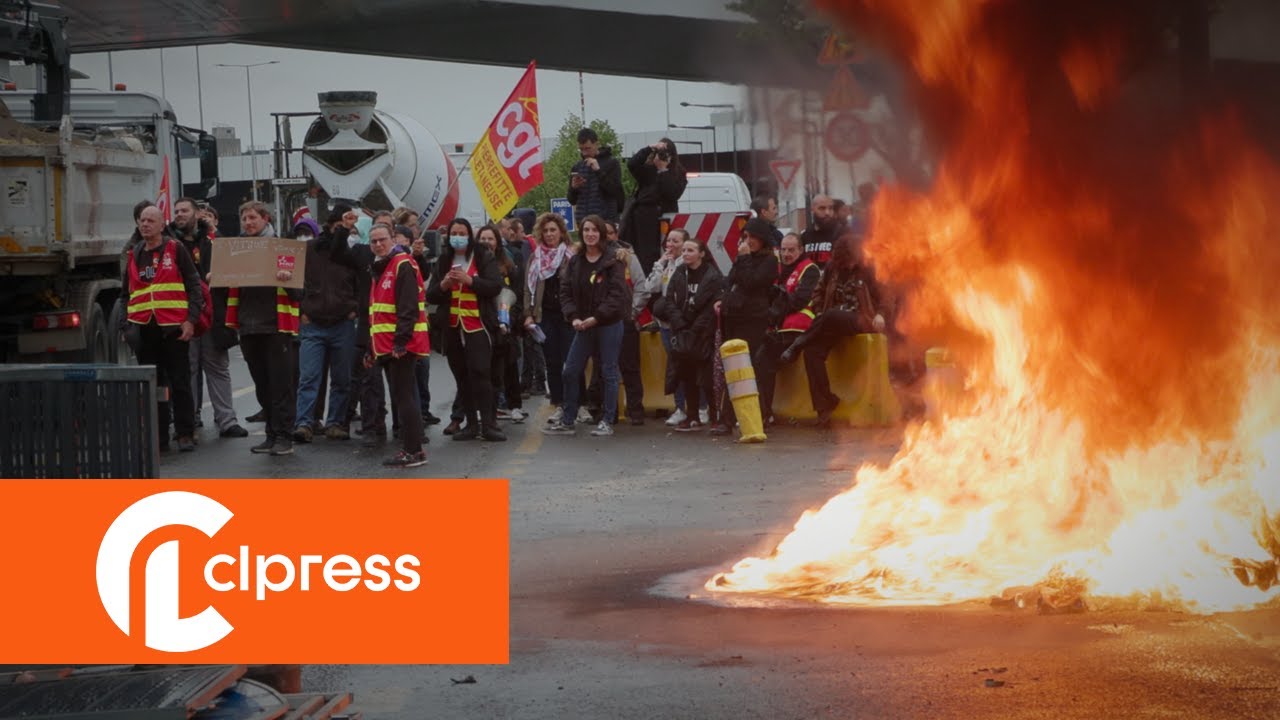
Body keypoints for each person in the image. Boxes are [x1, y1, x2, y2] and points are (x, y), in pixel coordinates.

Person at [781, 231, 888, 426]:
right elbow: (818, 292)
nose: (846, 266)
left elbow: (884, 296)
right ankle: (825, 405)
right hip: (832, 322)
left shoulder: (869, 269)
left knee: (831, 315)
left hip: (861, 318)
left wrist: (881, 314)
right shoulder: (832, 268)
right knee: (812, 352)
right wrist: (819, 309)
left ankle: (797, 344)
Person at [124, 205, 204, 452]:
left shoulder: (174, 248)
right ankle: (158, 436)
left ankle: (185, 433)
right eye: (141, 220)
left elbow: (194, 285)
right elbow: (125, 293)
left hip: (174, 328)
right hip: (145, 331)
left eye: (150, 220)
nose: (145, 224)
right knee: (154, 386)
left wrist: (190, 320)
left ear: (161, 225)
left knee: (180, 382)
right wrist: (124, 327)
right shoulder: (134, 253)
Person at [225, 201, 301, 455]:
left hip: (276, 327)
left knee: (281, 386)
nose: (248, 223)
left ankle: (284, 437)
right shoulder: (237, 251)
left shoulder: (283, 248)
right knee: (263, 386)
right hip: (248, 327)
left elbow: (299, 292)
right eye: (244, 218)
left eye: (252, 218)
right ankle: (271, 435)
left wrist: (286, 279)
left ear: (266, 219)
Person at [543, 215, 629, 437]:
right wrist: (573, 317)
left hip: (608, 324)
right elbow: (566, 291)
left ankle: (607, 420)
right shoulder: (576, 261)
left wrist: (597, 317)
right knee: (570, 370)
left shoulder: (613, 260)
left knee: (608, 371)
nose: (590, 234)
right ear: (581, 233)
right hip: (582, 325)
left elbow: (617, 295)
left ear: (601, 233)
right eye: (586, 230)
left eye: (594, 230)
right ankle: (569, 419)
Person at [170, 197, 248, 438]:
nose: (179, 215)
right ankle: (189, 418)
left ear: (197, 214)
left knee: (218, 367)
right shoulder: (169, 244)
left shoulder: (216, 242)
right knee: (188, 369)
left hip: (213, 314)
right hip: (184, 315)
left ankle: (227, 420)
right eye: (176, 211)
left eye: (184, 210)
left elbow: (235, 272)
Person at [426, 218, 506, 442]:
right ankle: (470, 424)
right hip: (452, 328)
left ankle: (488, 424)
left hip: (477, 327)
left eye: (462, 233)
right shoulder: (443, 260)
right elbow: (430, 294)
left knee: (481, 373)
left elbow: (495, 286)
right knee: (462, 377)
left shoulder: (482, 256)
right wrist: (443, 285)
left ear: (469, 236)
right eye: (454, 233)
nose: (458, 237)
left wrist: (470, 280)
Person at [362, 223, 430, 467]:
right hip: (385, 345)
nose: (378, 245)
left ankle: (413, 450)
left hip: (401, 345)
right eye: (373, 241)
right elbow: (377, 316)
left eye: (382, 240)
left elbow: (408, 308)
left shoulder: (402, 264)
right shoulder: (380, 268)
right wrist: (372, 348)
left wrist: (400, 342)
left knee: (404, 397)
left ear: (393, 240)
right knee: (402, 396)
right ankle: (413, 450)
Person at [293, 212, 360, 442]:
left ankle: (335, 423)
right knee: (309, 377)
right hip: (314, 323)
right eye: (339, 225)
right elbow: (294, 280)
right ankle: (304, 423)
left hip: (342, 322)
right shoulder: (309, 250)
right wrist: (302, 309)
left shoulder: (350, 253)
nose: (341, 229)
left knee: (342, 378)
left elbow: (362, 283)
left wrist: (355, 309)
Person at [709, 218, 779, 435]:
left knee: (749, 369)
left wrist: (745, 258)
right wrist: (723, 298)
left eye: (752, 237)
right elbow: (731, 280)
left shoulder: (768, 262)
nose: (747, 241)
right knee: (732, 368)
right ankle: (726, 418)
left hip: (753, 319)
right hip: (735, 316)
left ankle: (761, 414)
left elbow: (751, 282)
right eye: (745, 237)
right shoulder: (743, 258)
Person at [653, 237, 722, 432]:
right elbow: (669, 301)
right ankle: (692, 417)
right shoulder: (679, 273)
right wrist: (680, 322)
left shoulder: (712, 275)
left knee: (707, 378)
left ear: (701, 253)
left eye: (690, 250)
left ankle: (715, 416)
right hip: (683, 331)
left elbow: (711, 306)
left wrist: (695, 328)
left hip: (703, 334)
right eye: (684, 251)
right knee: (687, 375)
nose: (685, 254)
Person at [639, 228, 703, 427]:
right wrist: (660, 265)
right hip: (667, 325)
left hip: (685, 325)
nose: (671, 245)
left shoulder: (687, 265)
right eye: (669, 241)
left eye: (676, 241)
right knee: (675, 368)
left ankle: (701, 408)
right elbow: (651, 288)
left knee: (693, 366)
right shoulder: (666, 265)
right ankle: (680, 408)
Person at [755, 232, 820, 424]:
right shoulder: (779, 271)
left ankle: (765, 413)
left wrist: (778, 302)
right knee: (760, 360)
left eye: (791, 250)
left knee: (763, 358)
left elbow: (799, 301)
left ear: (801, 250)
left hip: (799, 331)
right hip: (779, 330)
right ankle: (764, 414)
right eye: (783, 250)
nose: (786, 254)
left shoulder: (809, 269)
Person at [522, 212, 576, 423]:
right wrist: (528, 314)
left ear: (561, 232)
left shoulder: (570, 256)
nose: (549, 234)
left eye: (553, 230)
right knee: (552, 363)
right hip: (546, 316)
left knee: (572, 363)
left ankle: (578, 403)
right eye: (545, 231)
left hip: (568, 316)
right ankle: (559, 403)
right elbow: (528, 287)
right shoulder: (536, 258)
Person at [476, 223, 526, 423]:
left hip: (506, 323)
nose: (486, 242)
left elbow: (517, 293)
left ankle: (514, 406)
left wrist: (511, 319)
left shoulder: (508, 265)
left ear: (498, 242)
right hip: (482, 322)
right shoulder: (474, 264)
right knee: (485, 369)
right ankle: (488, 407)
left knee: (510, 365)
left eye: (490, 238)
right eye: (483, 239)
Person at [622, 138, 687, 273]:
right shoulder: (648, 170)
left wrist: (663, 170)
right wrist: (650, 148)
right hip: (644, 219)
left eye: (665, 153)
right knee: (644, 255)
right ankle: (647, 282)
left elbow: (673, 193)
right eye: (660, 152)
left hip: (665, 217)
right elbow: (632, 164)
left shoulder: (678, 173)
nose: (662, 155)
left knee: (667, 251)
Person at [407, 228, 442, 427]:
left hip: (420, 328)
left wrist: (418, 257)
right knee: (408, 382)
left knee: (422, 372)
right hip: (403, 331)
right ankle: (412, 422)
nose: (416, 231)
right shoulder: (396, 262)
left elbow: (425, 275)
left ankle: (423, 411)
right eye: (411, 226)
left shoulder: (415, 258)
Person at [567, 126, 624, 223]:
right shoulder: (577, 167)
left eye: (587, 148)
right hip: (584, 222)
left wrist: (598, 171)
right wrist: (574, 188)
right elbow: (572, 200)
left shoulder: (611, 163)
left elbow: (616, 191)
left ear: (596, 144)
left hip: (605, 221)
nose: (584, 153)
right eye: (581, 149)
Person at [800, 194, 840, 268]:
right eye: (822, 208)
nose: (827, 213)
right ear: (813, 209)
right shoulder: (805, 236)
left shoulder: (841, 233)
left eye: (830, 208)